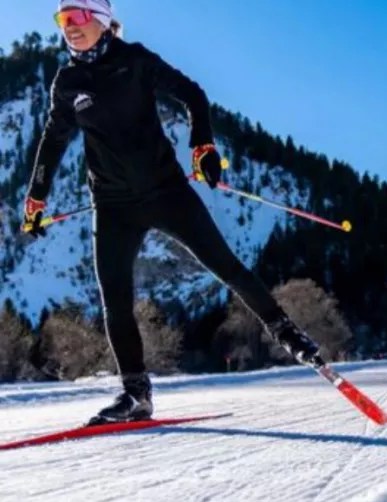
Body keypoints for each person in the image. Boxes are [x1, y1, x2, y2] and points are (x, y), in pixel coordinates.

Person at [24, 0, 321, 426]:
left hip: (166, 192)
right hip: (112, 205)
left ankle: (288, 333)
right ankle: (135, 395)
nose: (68, 27)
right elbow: (53, 141)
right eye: (62, 20)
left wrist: (203, 145)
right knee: (116, 301)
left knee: (226, 267)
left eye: (78, 18)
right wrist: (36, 198)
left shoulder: (135, 60)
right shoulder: (68, 81)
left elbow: (192, 94)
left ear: (103, 21)